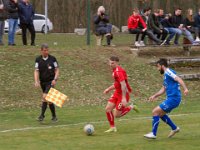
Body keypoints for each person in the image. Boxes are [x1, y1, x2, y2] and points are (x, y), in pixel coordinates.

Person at [144, 58, 189, 139]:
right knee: (160, 114)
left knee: (155, 112)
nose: (158, 69)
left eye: (158, 67)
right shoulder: (166, 75)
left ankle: (153, 134)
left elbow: (179, 79)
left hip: (174, 98)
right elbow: (163, 89)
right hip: (172, 98)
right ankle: (175, 128)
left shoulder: (169, 72)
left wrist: (185, 88)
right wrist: (155, 96)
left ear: (162, 66)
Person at [104, 56, 139, 133]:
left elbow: (123, 85)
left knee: (117, 115)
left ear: (116, 63)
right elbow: (117, 84)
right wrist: (108, 89)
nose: (110, 64)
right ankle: (112, 127)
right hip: (117, 93)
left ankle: (131, 107)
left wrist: (123, 98)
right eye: (110, 63)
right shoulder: (114, 71)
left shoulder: (118, 72)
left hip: (123, 94)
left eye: (112, 63)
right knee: (108, 109)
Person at [34, 43, 59, 122]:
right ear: (41, 51)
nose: (46, 52)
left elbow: (57, 69)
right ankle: (54, 117)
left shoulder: (53, 59)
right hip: (43, 82)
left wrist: (55, 79)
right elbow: (36, 71)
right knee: (49, 100)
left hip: (50, 82)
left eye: (47, 50)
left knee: (44, 97)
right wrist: (36, 81)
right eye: (44, 50)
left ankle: (42, 116)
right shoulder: (38, 60)